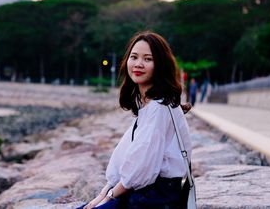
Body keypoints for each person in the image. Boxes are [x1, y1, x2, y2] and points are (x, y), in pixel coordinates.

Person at [77, 31, 193, 209]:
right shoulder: (149, 104)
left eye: (148, 59)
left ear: (160, 65)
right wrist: (102, 194)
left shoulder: (159, 107)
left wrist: (108, 197)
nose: (138, 64)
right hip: (143, 191)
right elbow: (128, 157)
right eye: (134, 57)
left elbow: (141, 170)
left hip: (155, 196)